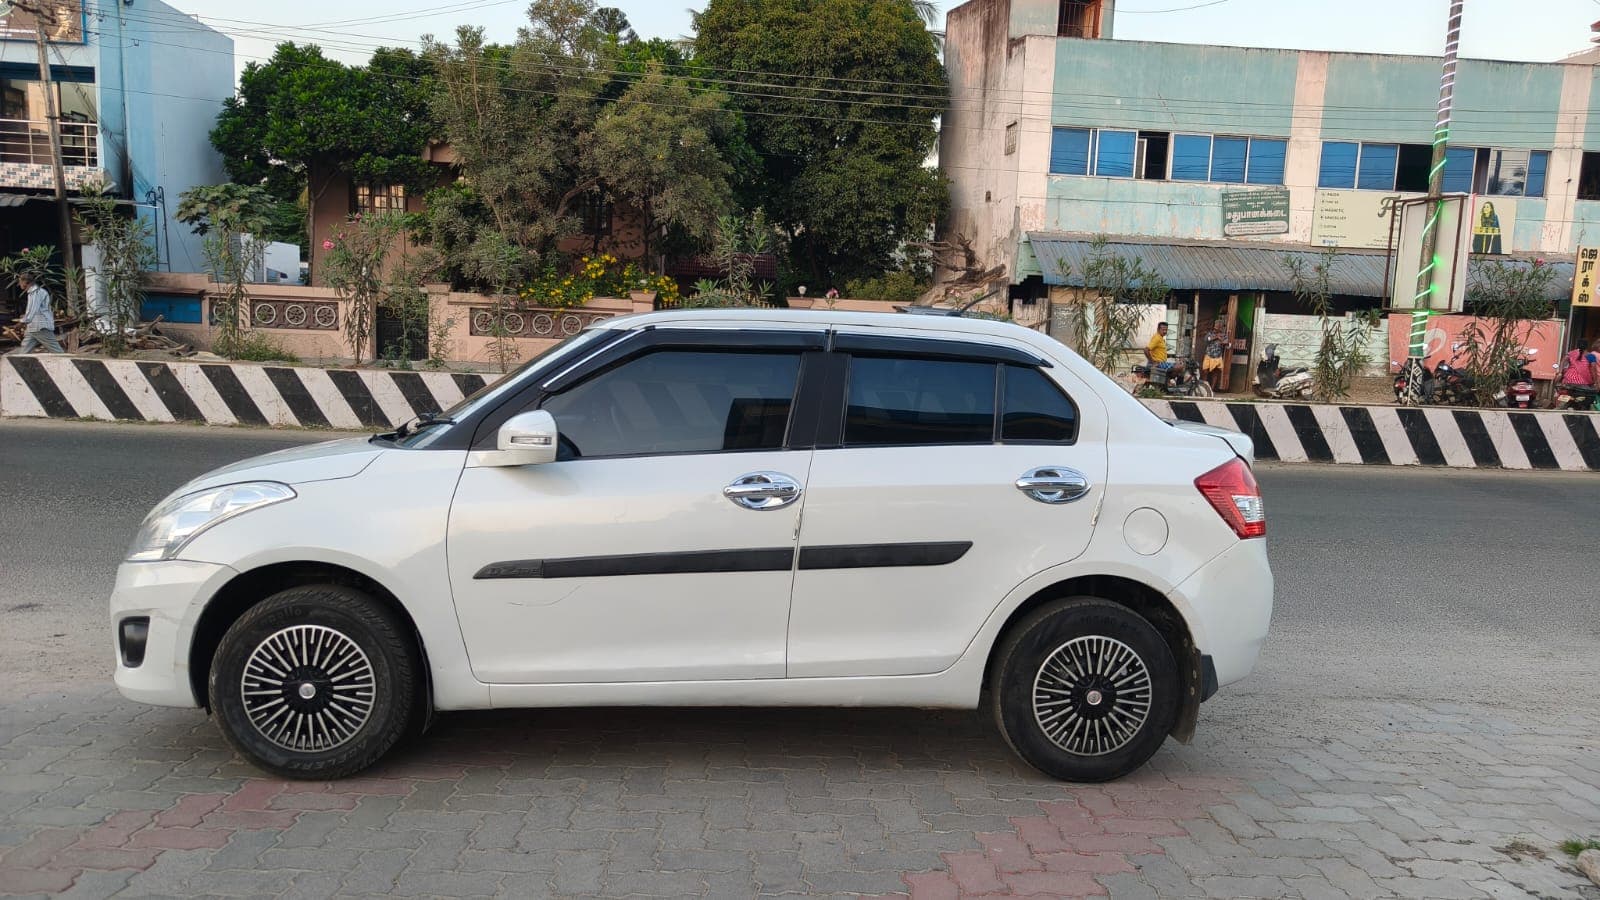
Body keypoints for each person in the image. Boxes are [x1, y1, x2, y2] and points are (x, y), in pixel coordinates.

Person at [15, 273, 63, 354]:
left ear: (26, 282)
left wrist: (22, 322)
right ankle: (21, 365)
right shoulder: (32, 293)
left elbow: (33, 310)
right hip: (33, 328)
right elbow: (31, 310)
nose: (19, 284)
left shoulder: (36, 293)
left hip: (41, 326)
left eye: (20, 282)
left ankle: (67, 364)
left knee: (57, 351)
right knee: (23, 352)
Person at [1202, 318, 1228, 390]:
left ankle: (1212, 389)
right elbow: (1206, 340)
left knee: (1215, 373)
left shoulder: (1224, 335)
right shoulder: (1210, 333)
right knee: (1205, 371)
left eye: (1220, 326)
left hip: (1217, 356)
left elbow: (1227, 344)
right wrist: (1216, 337)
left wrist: (1222, 341)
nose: (1218, 327)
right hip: (1208, 355)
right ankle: (1204, 388)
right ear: (1214, 326)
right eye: (1217, 326)